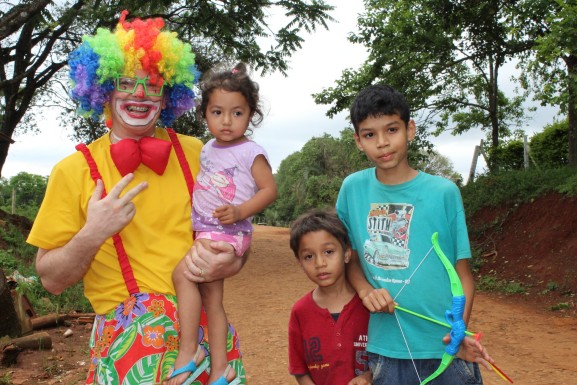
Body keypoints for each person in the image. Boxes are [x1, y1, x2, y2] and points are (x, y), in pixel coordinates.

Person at [26, 11, 247, 385]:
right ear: (104, 91)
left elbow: (236, 235)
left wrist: (234, 260)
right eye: (126, 83)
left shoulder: (202, 154)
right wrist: (93, 232)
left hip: (205, 334)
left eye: (153, 85)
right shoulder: (72, 170)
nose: (140, 95)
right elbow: (50, 279)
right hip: (126, 344)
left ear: (168, 94)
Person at [336, 84, 491, 385]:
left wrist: (457, 331)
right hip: (386, 349)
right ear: (358, 141)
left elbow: (463, 275)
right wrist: (366, 291)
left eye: (391, 129)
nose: (382, 143)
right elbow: (349, 257)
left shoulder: (444, 192)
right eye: (369, 134)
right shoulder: (352, 189)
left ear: (410, 130)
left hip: (444, 349)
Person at [168, 63, 277, 385]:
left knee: (182, 274)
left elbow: (270, 190)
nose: (227, 121)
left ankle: (189, 351)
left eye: (237, 113)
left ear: (251, 114)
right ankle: (219, 370)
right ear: (205, 114)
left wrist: (241, 211)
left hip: (227, 231)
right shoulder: (207, 149)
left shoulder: (250, 152)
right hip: (209, 230)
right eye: (217, 112)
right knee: (212, 301)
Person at [288, 209, 372, 385]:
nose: (320, 263)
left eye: (328, 252)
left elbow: (385, 361)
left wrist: (368, 377)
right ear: (300, 263)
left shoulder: (370, 305)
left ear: (347, 253)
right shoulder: (300, 311)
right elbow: (299, 369)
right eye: (309, 256)